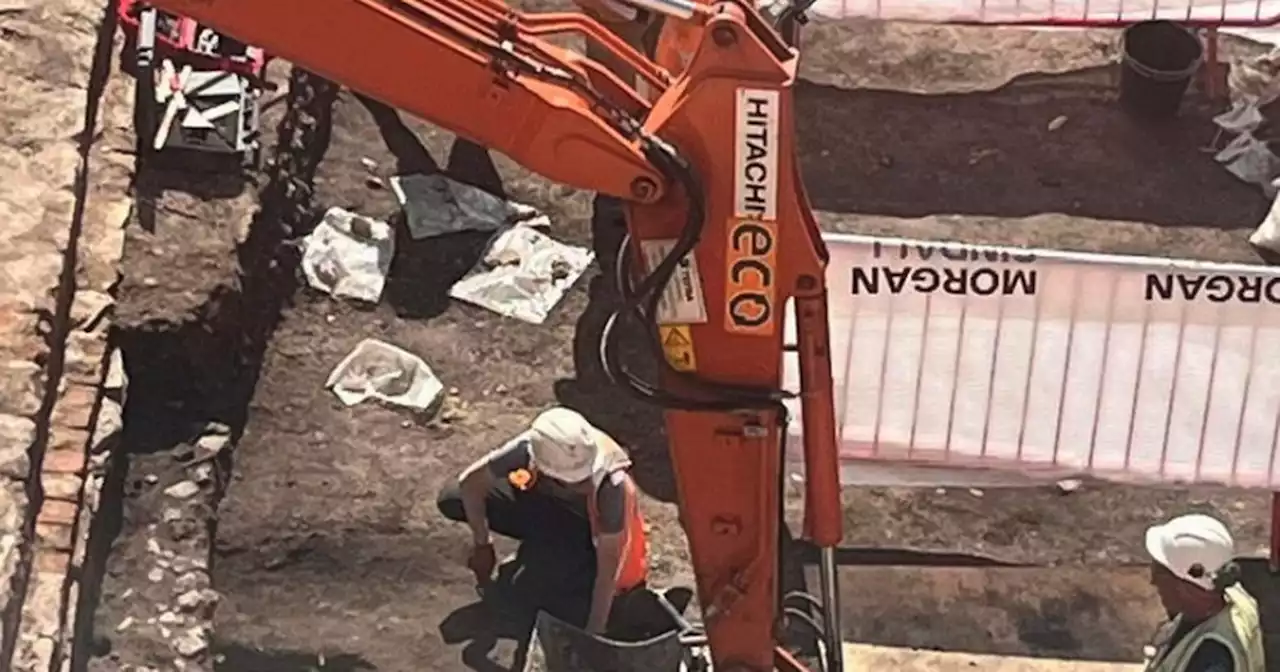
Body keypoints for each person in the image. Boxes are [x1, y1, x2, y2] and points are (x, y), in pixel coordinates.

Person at [437, 406, 649, 634]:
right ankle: (540, 547)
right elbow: (470, 483)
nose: (584, 484)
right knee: (452, 499)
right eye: (574, 482)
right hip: (544, 508)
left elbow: (609, 568)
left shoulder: (612, 487)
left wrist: (594, 631)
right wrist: (483, 544)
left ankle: (550, 559)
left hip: (583, 530)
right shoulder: (530, 448)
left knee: (532, 596)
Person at [1142, 513, 1265, 672]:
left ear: (1187, 584)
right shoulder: (1235, 597)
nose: (1154, 582)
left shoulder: (1212, 659)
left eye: (1159, 573)